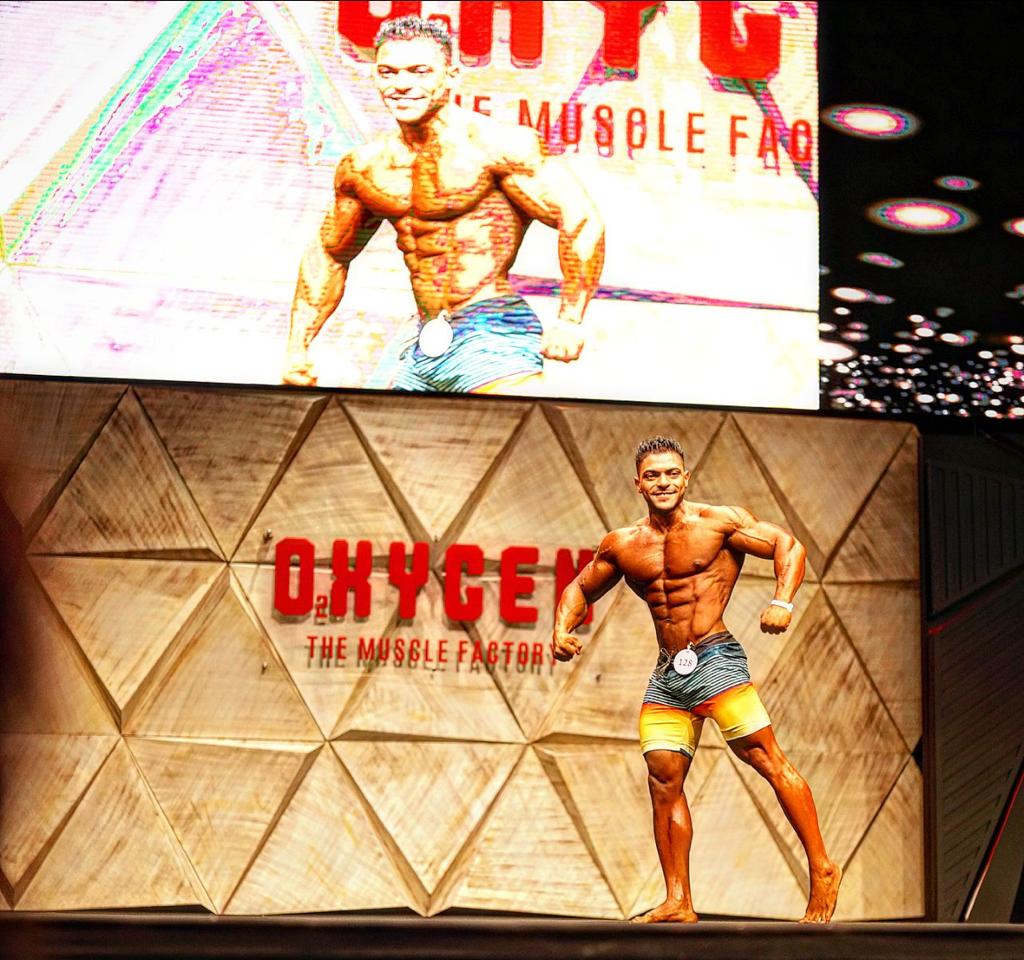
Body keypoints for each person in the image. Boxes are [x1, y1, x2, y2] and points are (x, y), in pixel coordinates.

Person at [552, 436, 842, 923]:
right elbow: (581, 587)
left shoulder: (718, 523)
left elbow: (787, 545)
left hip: (716, 659)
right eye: (653, 476)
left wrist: (782, 601)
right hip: (668, 673)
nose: (663, 482)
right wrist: (562, 628)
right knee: (662, 780)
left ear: (685, 478)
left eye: (671, 474)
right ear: (638, 484)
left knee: (766, 760)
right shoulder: (622, 543)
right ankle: (678, 900)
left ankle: (823, 869)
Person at [282, 15, 604, 392]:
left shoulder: (495, 146)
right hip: (424, 342)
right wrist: (297, 347)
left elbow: (580, 220)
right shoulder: (365, 168)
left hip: (492, 330)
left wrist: (570, 319)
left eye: (419, 72)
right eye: (388, 72)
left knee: (518, 430)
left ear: (451, 76)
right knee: (377, 431)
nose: (402, 84)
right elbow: (330, 253)